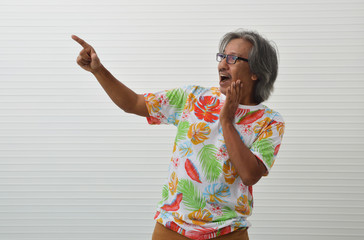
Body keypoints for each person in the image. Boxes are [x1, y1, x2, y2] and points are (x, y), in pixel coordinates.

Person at [72, 29, 285, 240]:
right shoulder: (194, 98)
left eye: (232, 58)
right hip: (172, 228)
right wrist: (98, 71)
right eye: (222, 57)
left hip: (229, 232)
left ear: (256, 71)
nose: (222, 64)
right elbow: (134, 103)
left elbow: (249, 175)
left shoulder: (270, 121)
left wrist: (227, 121)